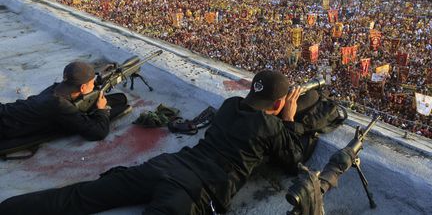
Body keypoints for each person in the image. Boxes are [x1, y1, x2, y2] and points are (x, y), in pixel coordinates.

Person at [0, 70, 319, 215]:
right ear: (278, 104)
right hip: (196, 189)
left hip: (165, 166)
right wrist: (289, 119)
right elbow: (293, 161)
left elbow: (255, 117)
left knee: (79, 197)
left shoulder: (229, 105)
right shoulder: (271, 125)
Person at [0, 61, 128, 142]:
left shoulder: (56, 88)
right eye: (91, 82)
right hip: (5, 127)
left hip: (7, 112)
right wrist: (101, 110)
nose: (94, 84)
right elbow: (98, 133)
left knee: (120, 99)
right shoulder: (61, 106)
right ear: (83, 88)